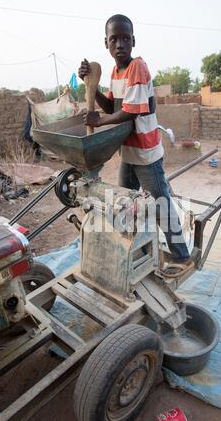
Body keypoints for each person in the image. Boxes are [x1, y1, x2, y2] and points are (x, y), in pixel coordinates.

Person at [78, 14, 193, 275]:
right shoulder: (115, 72)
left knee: (160, 201)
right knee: (125, 204)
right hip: (128, 151)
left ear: (133, 41)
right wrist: (91, 86)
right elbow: (112, 106)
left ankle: (182, 256)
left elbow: (131, 111)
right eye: (113, 39)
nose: (119, 44)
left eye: (125, 38)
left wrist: (100, 120)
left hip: (146, 152)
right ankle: (135, 250)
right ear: (105, 43)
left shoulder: (137, 67)